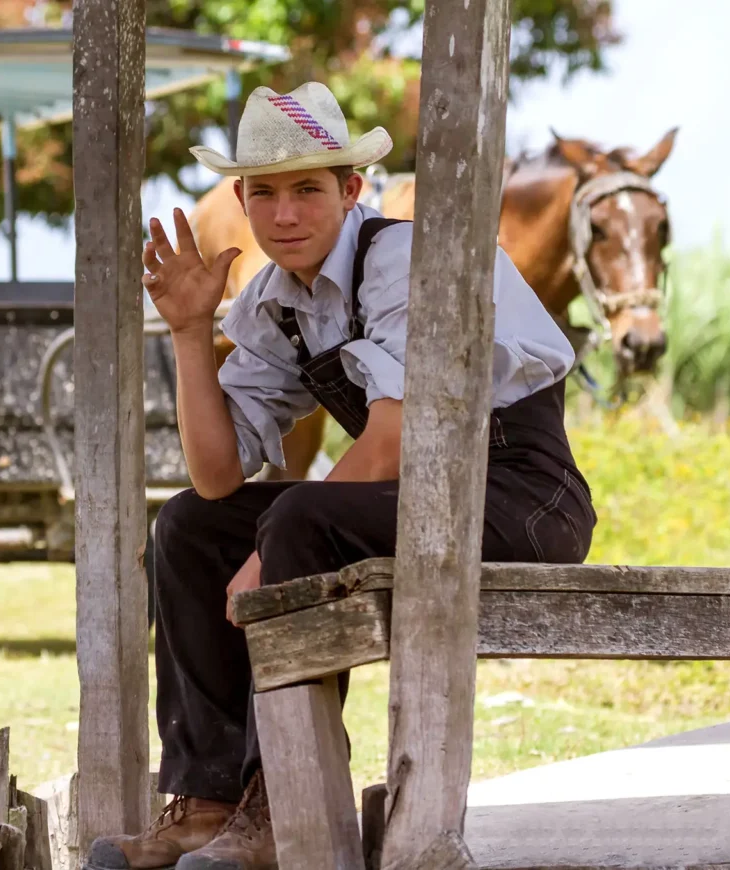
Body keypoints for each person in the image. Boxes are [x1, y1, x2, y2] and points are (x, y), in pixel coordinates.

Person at [84, 81, 596, 870]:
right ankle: (210, 800)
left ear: (351, 189)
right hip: (413, 503)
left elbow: (390, 442)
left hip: (523, 497)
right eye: (264, 193)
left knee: (294, 522)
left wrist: (268, 550)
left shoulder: (405, 261)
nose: (285, 214)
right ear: (242, 199)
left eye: (307, 191)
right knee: (186, 522)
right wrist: (191, 334)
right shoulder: (274, 303)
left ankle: (282, 806)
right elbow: (218, 476)